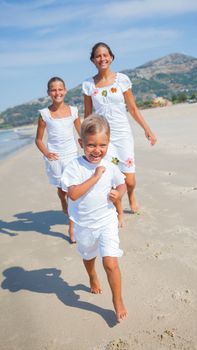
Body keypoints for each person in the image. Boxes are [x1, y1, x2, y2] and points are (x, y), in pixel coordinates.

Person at [61, 114, 127, 322]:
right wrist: (95, 176)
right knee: (89, 256)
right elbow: (73, 194)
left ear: (108, 144)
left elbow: (122, 182)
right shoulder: (74, 167)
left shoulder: (110, 165)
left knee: (110, 263)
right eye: (91, 145)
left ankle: (117, 300)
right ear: (81, 144)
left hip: (107, 221)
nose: (97, 150)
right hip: (84, 224)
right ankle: (92, 276)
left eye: (102, 145)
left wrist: (120, 193)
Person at [82, 42, 157, 224]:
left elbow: (132, 108)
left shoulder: (122, 80)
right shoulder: (88, 86)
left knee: (129, 179)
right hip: (103, 138)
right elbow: (88, 115)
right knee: (112, 175)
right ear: (93, 60)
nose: (102, 58)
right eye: (98, 56)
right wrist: (85, 140)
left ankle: (131, 194)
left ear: (111, 57)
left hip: (123, 135)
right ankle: (118, 210)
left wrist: (147, 129)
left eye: (105, 55)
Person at [35, 76, 81, 244]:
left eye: (60, 89)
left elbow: (81, 133)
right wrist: (47, 153)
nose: (57, 92)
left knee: (71, 192)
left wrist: (89, 146)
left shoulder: (74, 111)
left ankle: (72, 227)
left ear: (65, 91)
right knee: (62, 191)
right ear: (49, 93)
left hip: (71, 156)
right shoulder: (44, 114)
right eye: (53, 90)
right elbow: (39, 140)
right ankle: (62, 200)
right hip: (55, 158)